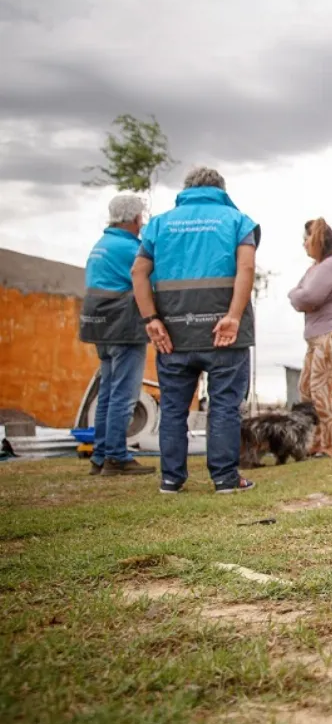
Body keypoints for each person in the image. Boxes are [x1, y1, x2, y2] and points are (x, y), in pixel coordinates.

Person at [131, 167, 260, 494]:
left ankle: (171, 479)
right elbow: (246, 267)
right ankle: (225, 479)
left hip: (174, 332)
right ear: (220, 189)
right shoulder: (238, 221)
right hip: (224, 332)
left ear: (187, 190)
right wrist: (233, 315)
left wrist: (151, 320)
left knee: (174, 407)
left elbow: (138, 272)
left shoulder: (159, 224)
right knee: (225, 405)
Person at [80, 194, 154, 476]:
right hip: (124, 327)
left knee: (108, 392)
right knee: (125, 394)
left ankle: (100, 456)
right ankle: (117, 457)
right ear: (135, 219)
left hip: (100, 328)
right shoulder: (130, 248)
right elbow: (149, 278)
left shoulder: (101, 245)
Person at [287, 218, 332, 458]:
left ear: (317, 240)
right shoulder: (315, 268)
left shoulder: (331, 266)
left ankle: (328, 445)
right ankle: (315, 441)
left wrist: (296, 294)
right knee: (305, 386)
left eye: (306, 238)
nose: (303, 244)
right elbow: (300, 295)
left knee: (319, 387)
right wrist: (297, 294)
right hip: (318, 336)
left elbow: (306, 298)